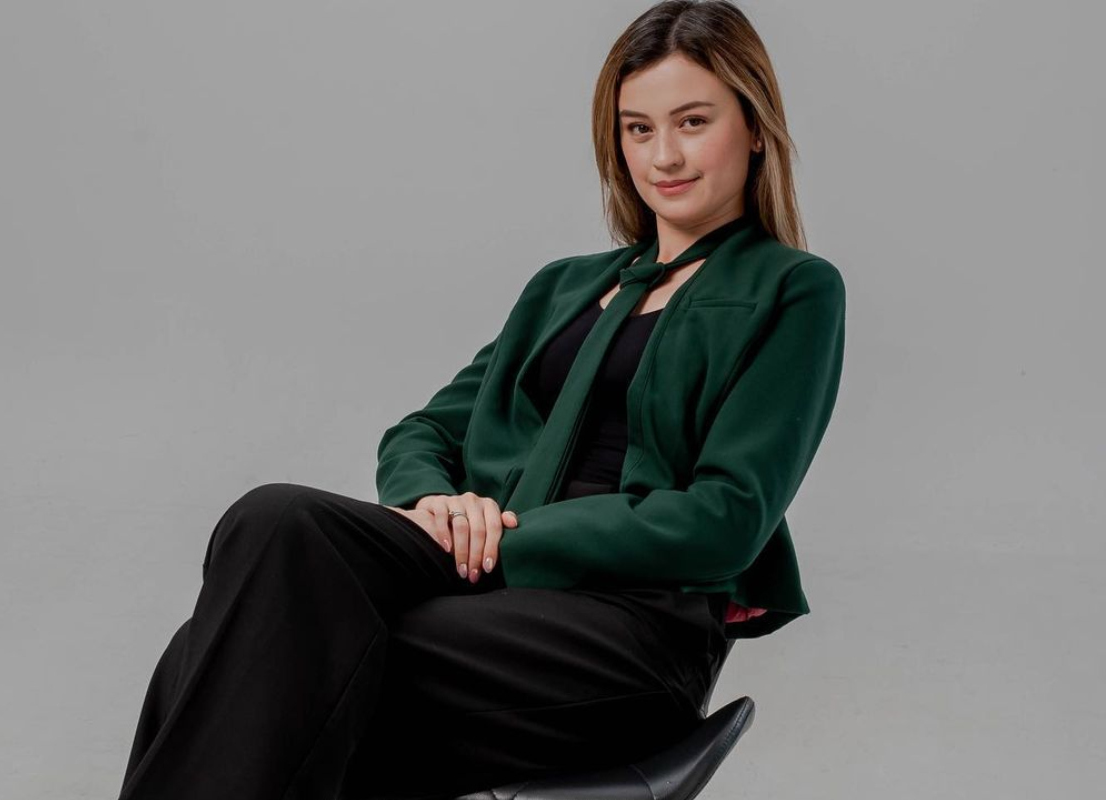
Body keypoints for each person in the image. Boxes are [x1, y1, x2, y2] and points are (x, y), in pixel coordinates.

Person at [115, 2, 846, 798]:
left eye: (693, 122)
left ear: (755, 127)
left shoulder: (794, 290)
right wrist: (437, 504)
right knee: (272, 523)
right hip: (478, 576)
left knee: (242, 647)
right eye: (638, 129)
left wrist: (508, 539)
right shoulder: (565, 289)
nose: (663, 155)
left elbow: (727, 518)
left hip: (627, 631)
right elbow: (426, 430)